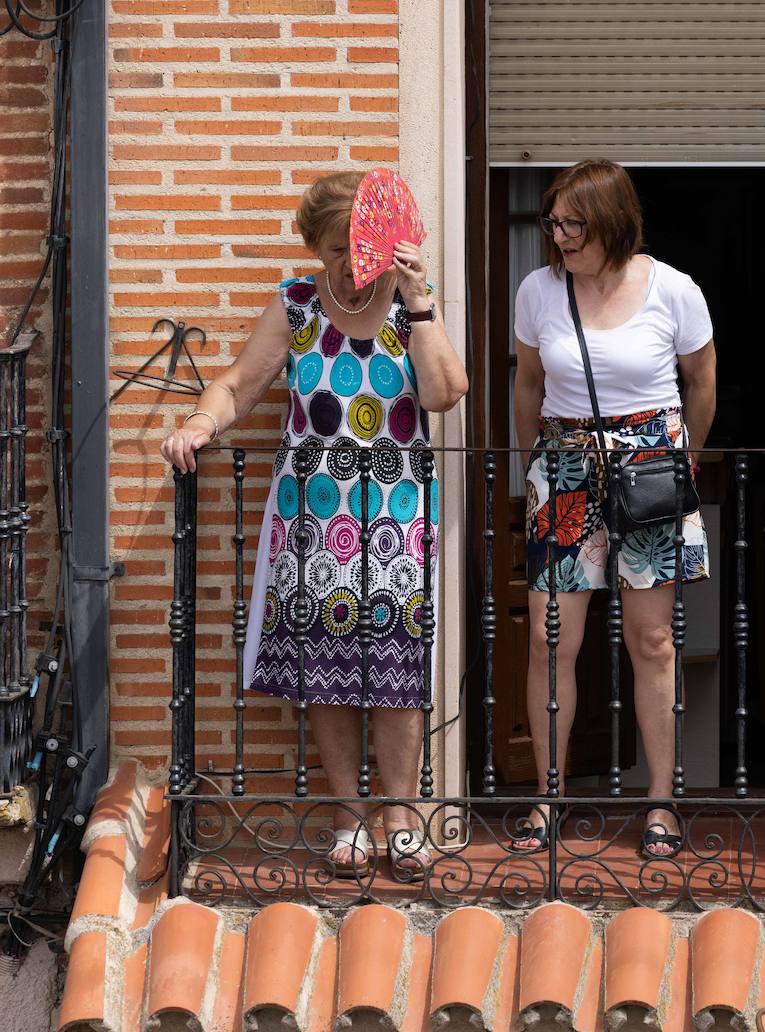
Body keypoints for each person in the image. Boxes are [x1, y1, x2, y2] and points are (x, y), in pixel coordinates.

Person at [160, 170, 469, 878]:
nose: (347, 265)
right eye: (333, 250)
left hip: (396, 517)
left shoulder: (410, 304)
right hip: (314, 518)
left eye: (355, 250)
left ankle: (401, 821)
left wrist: (419, 304)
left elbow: (447, 393)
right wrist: (203, 420)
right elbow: (241, 382)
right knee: (329, 673)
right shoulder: (298, 303)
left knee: (396, 672)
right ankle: (348, 819)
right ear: (315, 245)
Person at [512, 159, 716, 859]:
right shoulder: (538, 290)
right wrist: (534, 470)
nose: (560, 237)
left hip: (649, 462)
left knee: (652, 641)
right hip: (564, 463)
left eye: (574, 223)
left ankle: (661, 800)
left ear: (614, 223)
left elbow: (703, 382)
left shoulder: (674, 289)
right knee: (550, 639)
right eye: (554, 222)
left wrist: (683, 460)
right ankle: (548, 795)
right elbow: (530, 383)